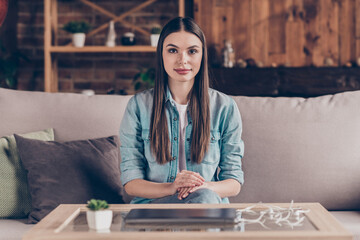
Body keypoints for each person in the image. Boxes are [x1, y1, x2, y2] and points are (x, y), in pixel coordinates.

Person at [119, 17, 244, 204]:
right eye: (172, 50)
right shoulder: (138, 106)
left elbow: (234, 182)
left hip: (206, 205)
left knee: (204, 198)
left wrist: (202, 187)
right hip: (155, 208)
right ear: (161, 54)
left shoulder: (224, 107)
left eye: (192, 51)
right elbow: (131, 182)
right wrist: (172, 187)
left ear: (202, 55)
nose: (182, 60)